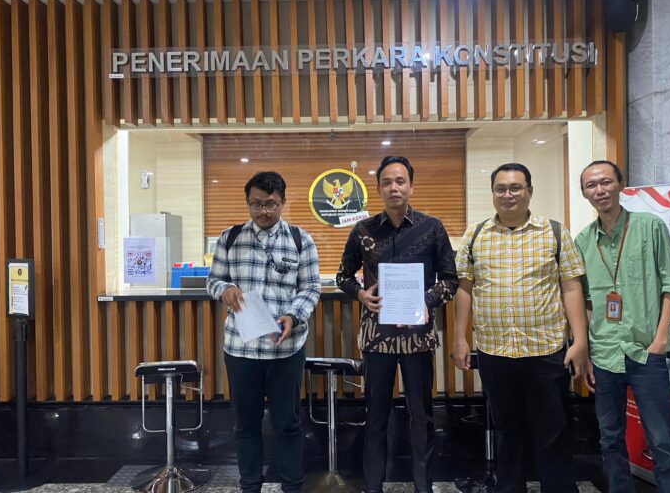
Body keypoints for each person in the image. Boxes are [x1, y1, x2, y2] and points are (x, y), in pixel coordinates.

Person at [452, 162, 589, 493]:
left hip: (545, 349)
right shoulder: (475, 235)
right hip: (495, 351)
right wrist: (459, 338)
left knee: (553, 431)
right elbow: (464, 288)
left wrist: (580, 340)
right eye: (500, 189)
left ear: (529, 191)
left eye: (515, 188)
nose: (508, 195)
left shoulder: (554, 232)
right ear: (493, 193)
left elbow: (571, 287)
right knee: (506, 431)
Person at [336, 156, 457, 493]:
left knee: (421, 416)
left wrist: (427, 300)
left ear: (411, 187)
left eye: (400, 181)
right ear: (378, 189)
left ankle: (423, 487)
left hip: (417, 336)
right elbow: (343, 276)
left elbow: (450, 279)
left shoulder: (432, 227)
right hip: (377, 337)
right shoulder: (363, 230)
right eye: (387, 182)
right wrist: (361, 295)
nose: (394, 188)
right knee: (375, 417)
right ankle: (373, 486)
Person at [206, 171, 321, 493]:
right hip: (241, 350)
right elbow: (213, 280)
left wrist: (293, 316)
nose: (262, 211)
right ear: (248, 203)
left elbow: (311, 287)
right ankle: (250, 487)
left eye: (270, 204)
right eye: (255, 204)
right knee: (245, 426)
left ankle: (292, 487)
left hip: (286, 350)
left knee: (288, 425)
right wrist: (225, 290)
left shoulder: (300, 240)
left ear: (282, 202)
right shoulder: (229, 238)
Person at [575, 160, 670, 493]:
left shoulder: (650, 227)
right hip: (605, 353)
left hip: (646, 350)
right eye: (591, 185)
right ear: (584, 193)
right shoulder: (583, 241)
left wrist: (660, 341)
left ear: (621, 184)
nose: (600, 190)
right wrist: (589, 353)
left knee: (661, 440)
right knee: (609, 438)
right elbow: (587, 302)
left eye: (606, 182)